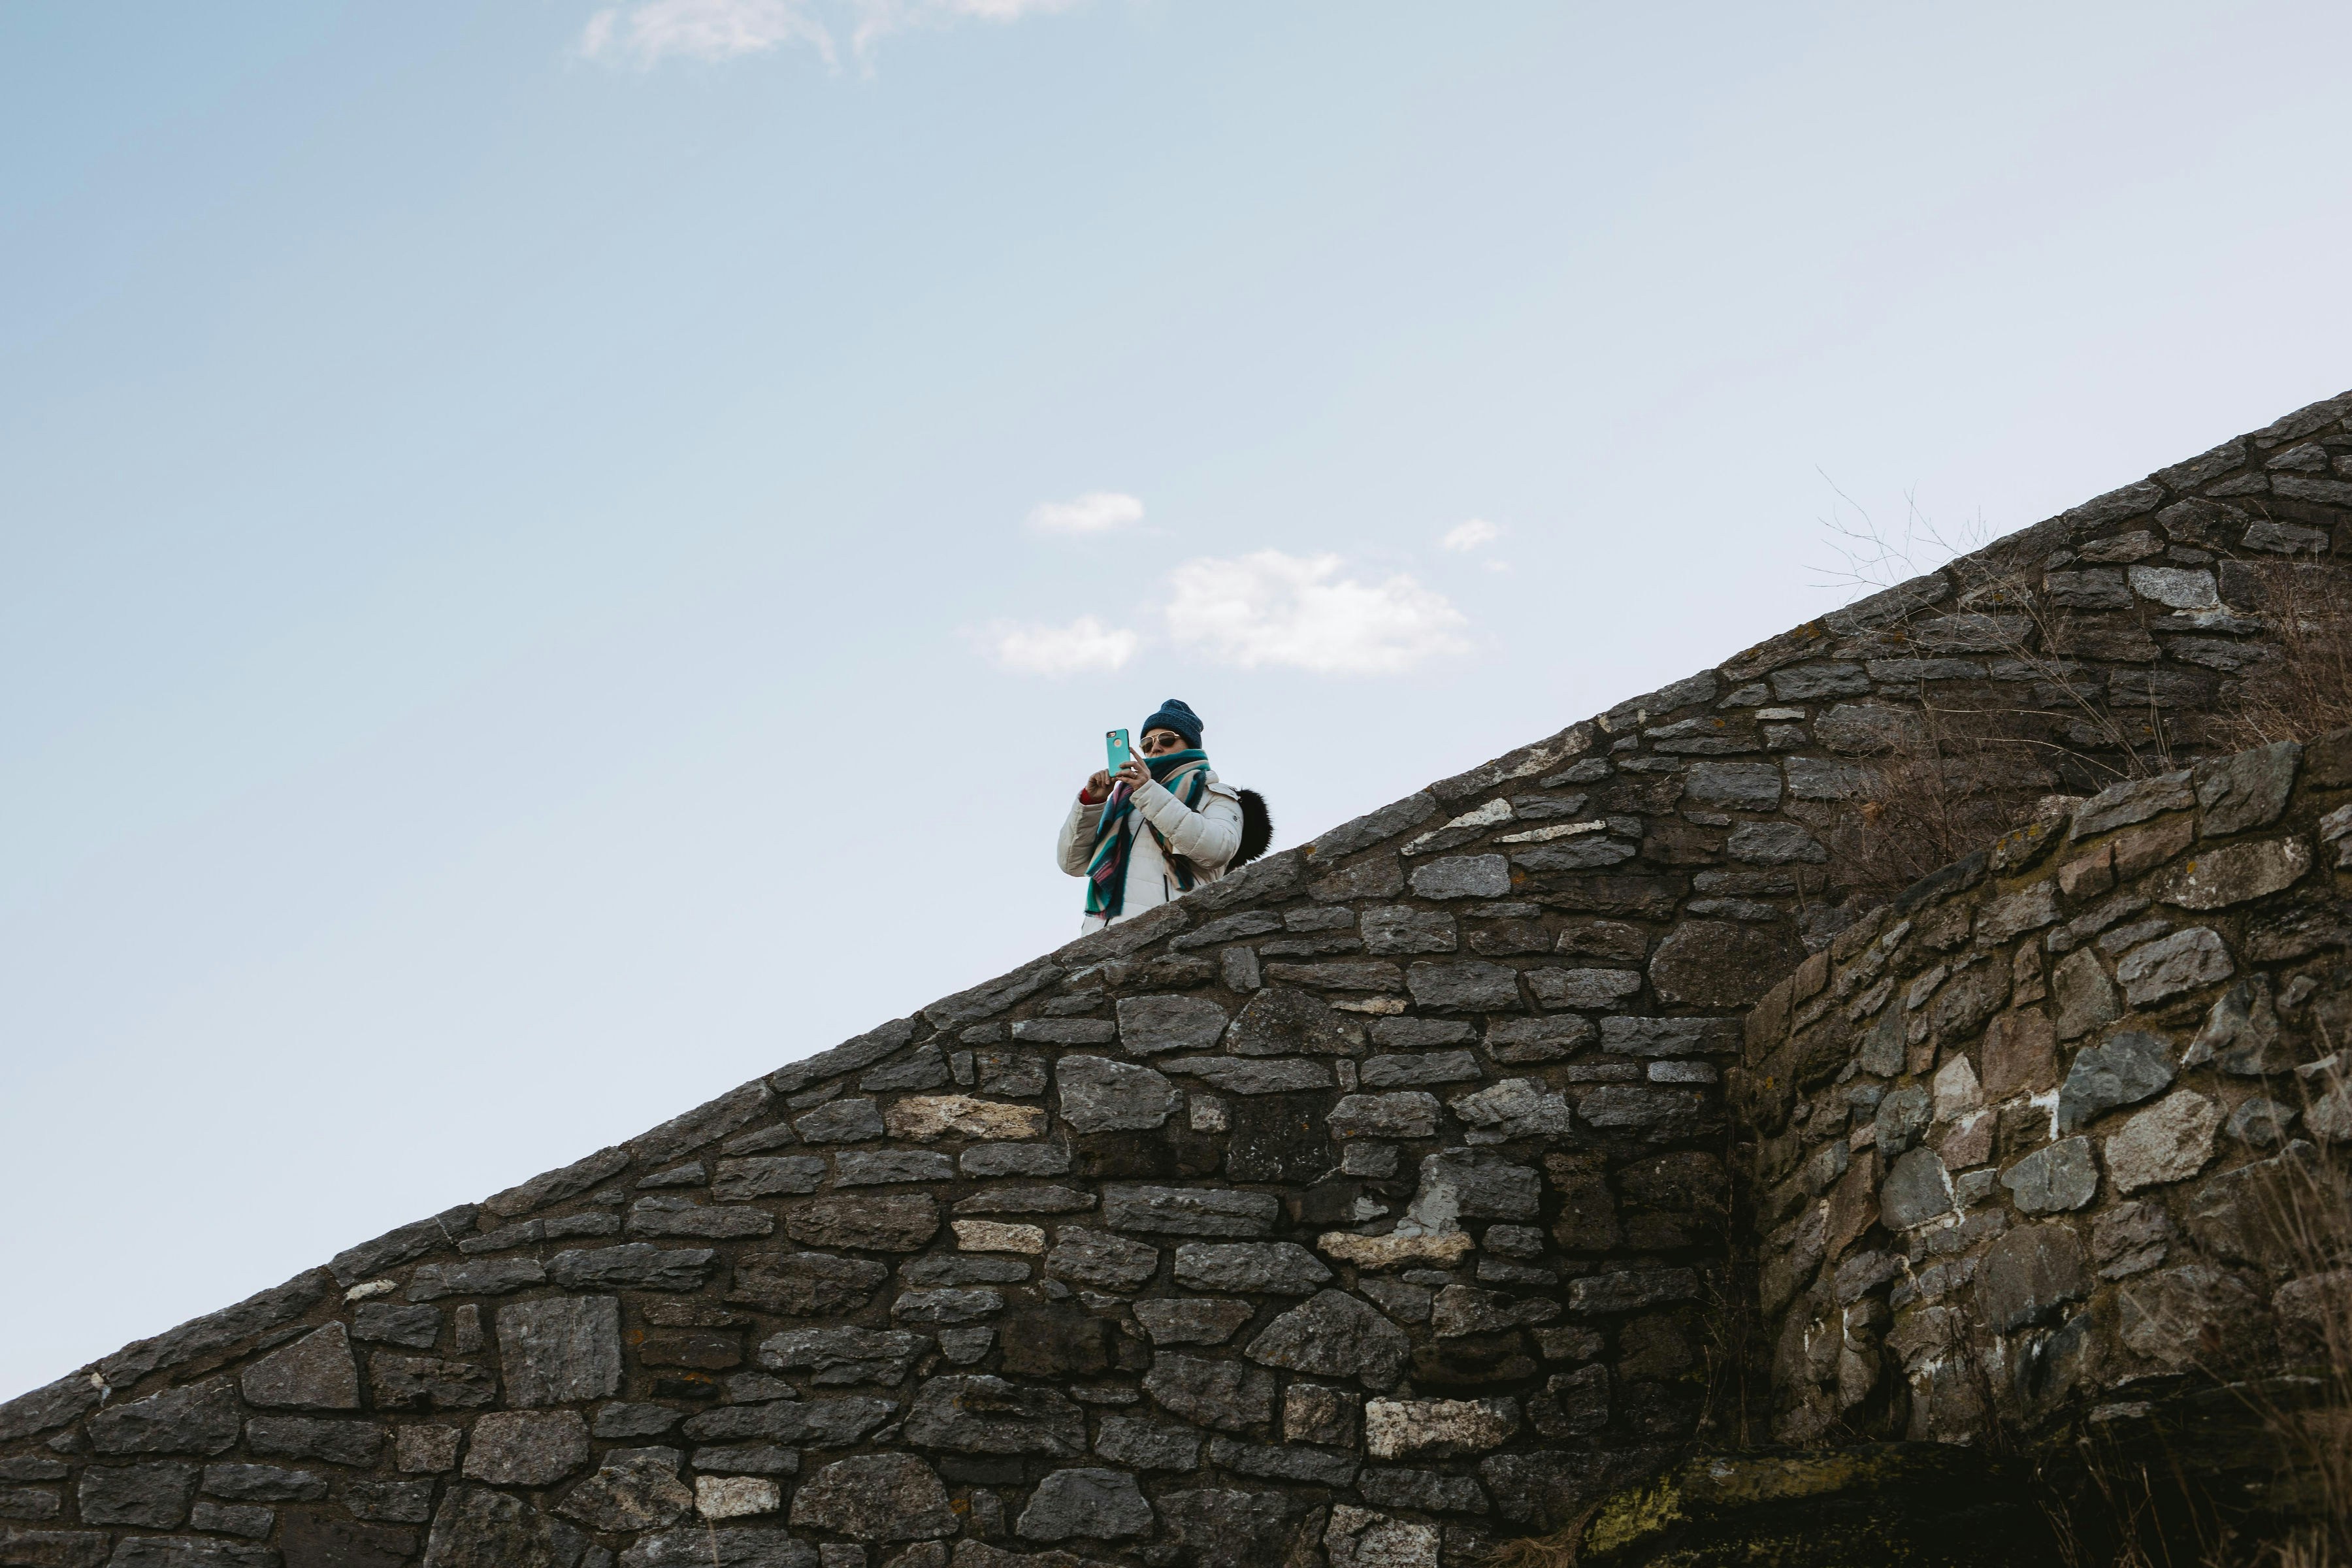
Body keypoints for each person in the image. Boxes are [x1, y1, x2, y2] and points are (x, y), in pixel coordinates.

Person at [1056, 698, 1243, 934]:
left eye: (1166, 739)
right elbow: (1071, 863)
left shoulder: (1212, 792)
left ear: (1190, 745)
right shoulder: (1123, 799)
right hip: (1101, 934)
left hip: (1174, 929)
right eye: (1146, 743)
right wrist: (1092, 802)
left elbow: (1217, 849)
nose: (1155, 748)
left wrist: (1148, 792)